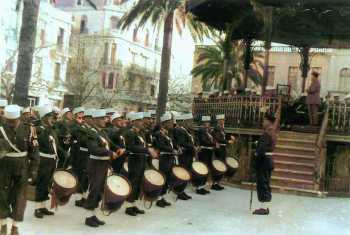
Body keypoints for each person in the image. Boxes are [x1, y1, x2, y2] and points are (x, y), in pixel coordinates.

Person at [0, 105, 38, 235]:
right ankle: (3, 224)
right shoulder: (1, 129)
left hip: (22, 167)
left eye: (13, 121)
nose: (11, 124)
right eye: (8, 121)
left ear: (19, 118)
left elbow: (34, 151)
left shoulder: (29, 129)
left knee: (20, 197)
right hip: (3, 166)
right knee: (2, 195)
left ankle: (15, 227)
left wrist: (34, 170)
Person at [84, 109, 124, 227]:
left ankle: (93, 214)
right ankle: (88, 216)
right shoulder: (91, 132)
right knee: (94, 190)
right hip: (96, 164)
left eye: (105, 118)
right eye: (102, 118)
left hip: (104, 164)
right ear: (95, 120)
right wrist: (110, 153)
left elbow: (109, 143)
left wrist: (117, 149)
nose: (104, 120)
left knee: (100, 190)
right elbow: (94, 149)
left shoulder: (102, 132)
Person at [124, 112, 158, 216]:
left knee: (139, 183)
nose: (141, 122)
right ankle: (128, 206)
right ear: (133, 122)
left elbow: (143, 145)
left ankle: (134, 204)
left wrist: (149, 149)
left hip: (141, 160)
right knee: (133, 182)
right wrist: (147, 150)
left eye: (141, 120)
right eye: (139, 121)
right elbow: (131, 147)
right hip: (134, 160)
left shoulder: (140, 133)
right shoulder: (130, 132)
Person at [34, 106, 58, 219]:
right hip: (43, 159)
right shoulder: (39, 128)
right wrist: (48, 128)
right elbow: (42, 141)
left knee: (47, 183)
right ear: (43, 118)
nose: (51, 119)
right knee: (41, 183)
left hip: (51, 160)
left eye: (51, 117)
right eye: (49, 117)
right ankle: (37, 208)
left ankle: (43, 206)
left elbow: (55, 144)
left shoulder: (50, 129)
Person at [253, 112, 279, 215]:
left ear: (268, 121)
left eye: (264, 120)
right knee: (266, 184)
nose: (263, 122)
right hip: (269, 160)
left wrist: (255, 156)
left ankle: (263, 208)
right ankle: (266, 206)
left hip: (263, 161)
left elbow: (260, 150)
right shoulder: (273, 132)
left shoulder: (266, 133)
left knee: (262, 184)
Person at [153, 113, 176, 207]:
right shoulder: (158, 134)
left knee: (167, 178)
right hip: (164, 158)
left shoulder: (167, 133)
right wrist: (172, 150)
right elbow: (160, 146)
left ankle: (163, 197)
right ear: (164, 123)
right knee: (162, 178)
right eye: (170, 122)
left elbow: (171, 144)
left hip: (169, 157)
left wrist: (176, 148)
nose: (172, 124)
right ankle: (158, 199)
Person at [70, 107, 90, 207]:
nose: (82, 115)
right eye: (80, 113)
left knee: (85, 176)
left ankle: (83, 197)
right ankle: (78, 197)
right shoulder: (74, 125)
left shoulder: (84, 125)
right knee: (80, 175)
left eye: (83, 113)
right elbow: (78, 137)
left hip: (86, 154)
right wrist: (80, 124)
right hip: (78, 153)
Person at [173, 113, 196, 200]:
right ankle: (179, 191)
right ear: (185, 121)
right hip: (184, 155)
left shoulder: (186, 130)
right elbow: (181, 142)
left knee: (187, 173)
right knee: (184, 173)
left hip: (188, 155)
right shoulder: (179, 130)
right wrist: (192, 147)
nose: (191, 122)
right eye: (190, 121)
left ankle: (182, 190)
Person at [212, 114, 235, 190]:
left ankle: (218, 182)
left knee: (222, 165)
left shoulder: (221, 128)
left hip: (223, 148)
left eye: (224, 120)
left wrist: (230, 137)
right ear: (218, 120)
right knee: (219, 166)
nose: (223, 121)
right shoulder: (217, 128)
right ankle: (214, 183)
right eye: (222, 119)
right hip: (219, 150)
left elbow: (224, 136)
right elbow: (218, 139)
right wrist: (228, 141)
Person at [196, 116, 215, 195]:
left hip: (208, 152)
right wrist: (213, 144)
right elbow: (203, 141)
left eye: (209, 122)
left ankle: (202, 186)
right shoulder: (201, 130)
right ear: (204, 123)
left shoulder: (207, 131)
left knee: (206, 169)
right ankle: (199, 187)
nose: (209, 124)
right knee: (202, 169)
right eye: (207, 122)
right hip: (204, 152)